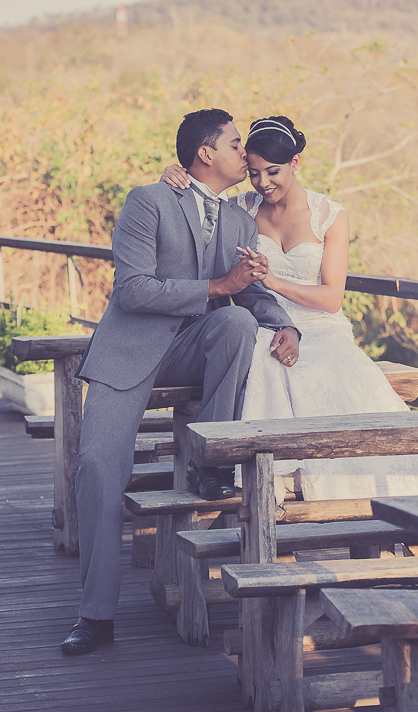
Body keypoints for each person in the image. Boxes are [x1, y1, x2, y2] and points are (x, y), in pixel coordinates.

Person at [61, 108, 301, 656]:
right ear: (205, 155)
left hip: (195, 348)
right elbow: (133, 291)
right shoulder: (148, 200)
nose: (247, 154)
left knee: (240, 321)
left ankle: (207, 458)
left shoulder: (242, 218)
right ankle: (95, 615)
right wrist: (220, 285)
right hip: (131, 350)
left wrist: (283, 320)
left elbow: (248, 289)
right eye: (237, 145)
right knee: (99, 468)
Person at [160, 115, 418, 502]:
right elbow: (201, 192)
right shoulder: (239, 209)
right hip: (263, 323)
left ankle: (366, 490)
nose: (264, 183)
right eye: (256, 173)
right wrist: (173, 175)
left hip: (321, 325)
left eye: (274, 172)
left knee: (338, 377)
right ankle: (266, 483)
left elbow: (332, 299)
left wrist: (273, 280)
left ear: (296, 163)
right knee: (266, 362)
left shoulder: (330, 215)